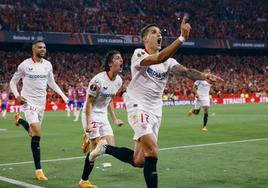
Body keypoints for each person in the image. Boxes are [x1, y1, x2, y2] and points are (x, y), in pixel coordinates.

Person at [90, 16, 223, 188]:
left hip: (155, 111)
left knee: (139, 161)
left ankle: (105, 148)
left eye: (160, 33)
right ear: (145, 39)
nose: (159, 35)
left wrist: (203, 76)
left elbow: (185, 71)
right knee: (153, 150)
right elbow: (157, 58)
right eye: (154, 32)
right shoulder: (139, 54)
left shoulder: (169, 61)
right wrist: (181, 38)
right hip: (138, 106)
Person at [9, 40, 68, 181]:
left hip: (41, 104)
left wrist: (64, 96)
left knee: (32, 133)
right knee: (37, 132)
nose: (43, 49)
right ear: (33, 49)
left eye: (44, 47)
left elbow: (51, 82)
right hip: (28, 102)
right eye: (40, 47)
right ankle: (39, 170)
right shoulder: (25, 65)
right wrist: (17, 96)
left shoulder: (48, 65)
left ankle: (20, 120)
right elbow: (12, 82)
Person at [78, 50, 124, 188]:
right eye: (117, 58)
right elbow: (89, 102)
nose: (121, 60)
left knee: (110, 148)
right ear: (110, 63)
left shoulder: (119, 81)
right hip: (91, 114)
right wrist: (87, 124)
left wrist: (114, 119)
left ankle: (88, 138)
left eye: (121, 58)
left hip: (103, 116)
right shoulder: (97, 81)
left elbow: (109, 100)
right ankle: (84, 181)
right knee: (97, 147)